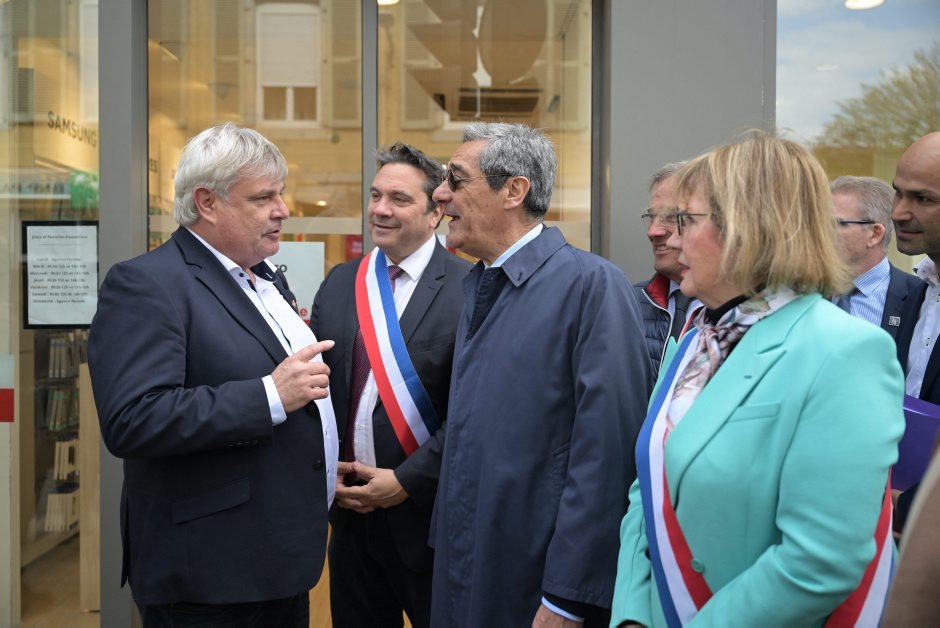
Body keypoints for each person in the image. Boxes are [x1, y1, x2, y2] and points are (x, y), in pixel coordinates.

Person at [611, 131, 904, 627]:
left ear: (748, 229)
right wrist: (632, 615)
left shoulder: (844, 351)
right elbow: (648, 490)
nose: (670, 238)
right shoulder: (697, 341)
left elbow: (820, 561)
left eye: (686, 220)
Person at [88, 123, 337, 626]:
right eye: (263, 197)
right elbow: (133, 418)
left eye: (281, 193)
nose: (282, 210)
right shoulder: (147, 284)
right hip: (211, 575)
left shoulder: (261, 277)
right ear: (207, 203)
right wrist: (270, 395)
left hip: (276, 562)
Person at [428, 122, 652, 626]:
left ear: (514, 190)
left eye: (456, 179)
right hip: (466, 572)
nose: (440, 194)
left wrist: (568, 596)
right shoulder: (481, 285)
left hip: (534, 589)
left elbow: (607, 455)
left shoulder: (592, 286)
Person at [309, 143, 469, 627]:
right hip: (351, 519)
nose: (380, 209)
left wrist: (406, 482)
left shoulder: (471, 289)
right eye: (376, 195)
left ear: (435, 212)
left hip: (428, 520)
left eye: (399, 199)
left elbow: (473, 413)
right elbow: (318, 393)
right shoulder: (341, 282)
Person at [892, 131, 940, 530]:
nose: (898, 212)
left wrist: (905, 507)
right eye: (898, 193)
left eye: (922, 199)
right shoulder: (918, 294)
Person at [830, 175, 920, 339]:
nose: (820, 233)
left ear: (875, 234)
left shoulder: (920, 297)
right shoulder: (803, 291)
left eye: (835, 224)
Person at [635, 162, 702, 378]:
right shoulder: (628, 302)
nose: (653, 232)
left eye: (671, 217)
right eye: (651, 217)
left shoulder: (740, 311)